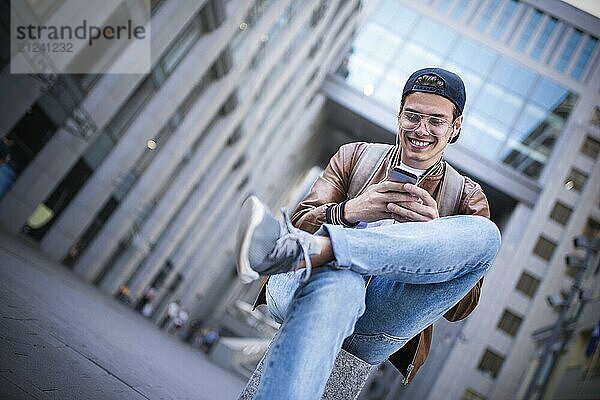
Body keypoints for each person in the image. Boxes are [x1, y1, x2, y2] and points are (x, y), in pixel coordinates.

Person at [235, 67, 502, 399]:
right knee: (342, 280)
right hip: (301, 283)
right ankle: (324, 254)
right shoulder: (355, 155)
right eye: (412, 116)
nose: (421, 129)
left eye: (436, 121)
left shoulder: (468, 197)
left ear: (455, 126)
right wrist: (348, 212)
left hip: (379, 320)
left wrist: (429, 237)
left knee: (488, 236)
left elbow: (459, 307)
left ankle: (319, 248)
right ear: (399, 114)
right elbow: (303, 216)